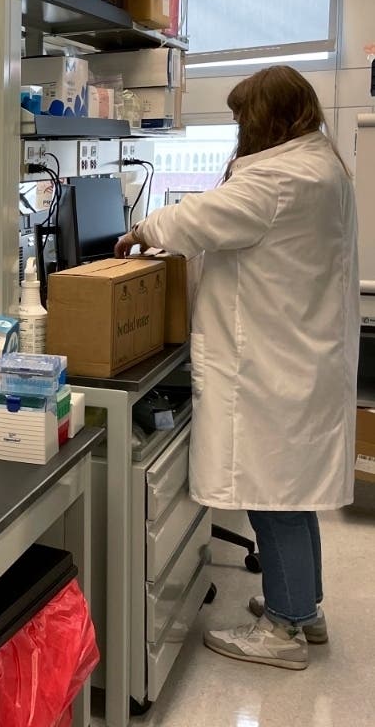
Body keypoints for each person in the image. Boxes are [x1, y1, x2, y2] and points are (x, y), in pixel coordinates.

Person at [115, 66, 360, 671]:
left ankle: (285, 629)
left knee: (272, 495)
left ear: (264, 119)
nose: (236, 129)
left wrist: (140, 230)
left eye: (240, 118)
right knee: (293, 494)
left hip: (274, 364)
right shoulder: (320, 166)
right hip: (300, 356)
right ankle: (304, 606)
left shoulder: (276, 179)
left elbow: (198, 219)